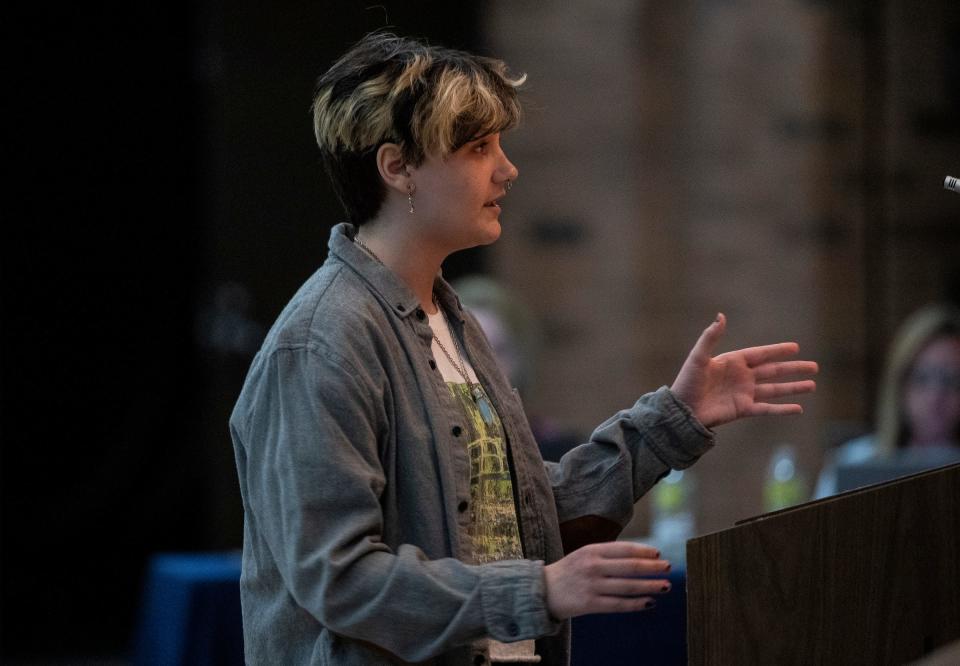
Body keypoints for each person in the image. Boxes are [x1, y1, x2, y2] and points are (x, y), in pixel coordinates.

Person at [229, 32, 818, 665]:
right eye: (479, 148)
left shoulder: (449, 318)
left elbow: (513, 522)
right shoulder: (323, 342)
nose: (507, 169)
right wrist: (537, 589)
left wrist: (671, 422)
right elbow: (338, 578)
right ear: (397, 167)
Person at [814, 304, 960, 498]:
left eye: (950, 380)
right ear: (899, 383)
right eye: (922, 377)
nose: (935, 396)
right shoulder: (855, 460)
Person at [451, 275, 581, 462]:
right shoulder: (423, 456)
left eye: (498, 351)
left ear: (522, 358)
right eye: (466, 351)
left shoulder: (563, 455)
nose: (483, 368)